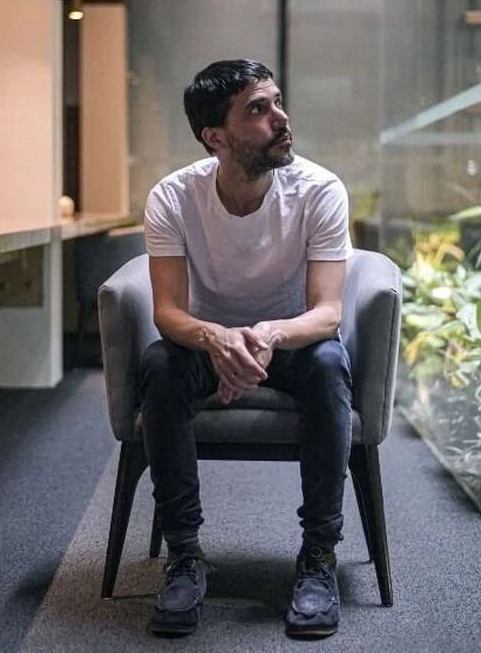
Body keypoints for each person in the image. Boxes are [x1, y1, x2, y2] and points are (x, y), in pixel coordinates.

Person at [139, 59, 353, 639]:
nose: (281, 118)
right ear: (215, 137)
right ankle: (184, 555)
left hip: (290, 343)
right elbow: (167, 311)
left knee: (331, 365)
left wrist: (263, 338)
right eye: (258, 110)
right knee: (160, 365)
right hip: (208, 347)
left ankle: (318, 557)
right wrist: (217, 339)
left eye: (278, 102)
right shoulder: (173, 197)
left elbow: (328, 313)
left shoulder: (319, 190)